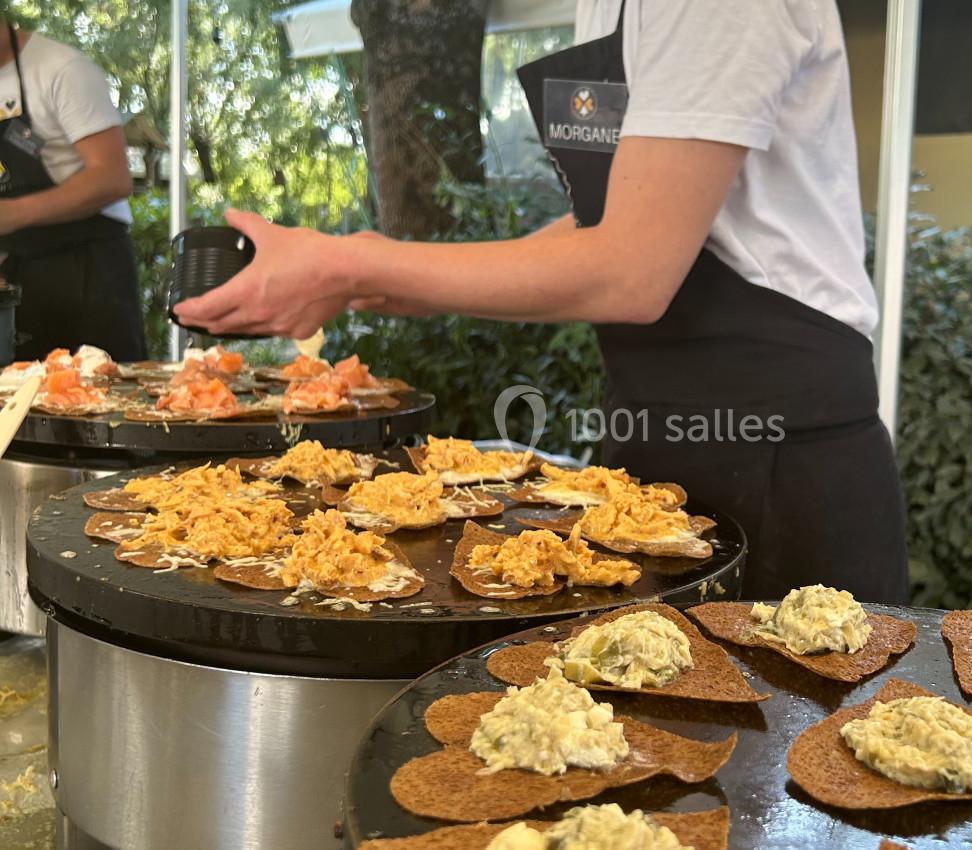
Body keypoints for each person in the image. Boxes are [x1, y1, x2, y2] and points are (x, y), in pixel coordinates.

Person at [176, 0, 908, 602]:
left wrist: (346, 261)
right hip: (655, 440)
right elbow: (616, 220)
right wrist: (382, 278)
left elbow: (631, 269)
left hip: (780, 458)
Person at [0, 17, 146, 361]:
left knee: (102, 402)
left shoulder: (62, 69)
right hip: (19, 277)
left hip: (90, 270)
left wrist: (13, 215)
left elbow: (112, 177)